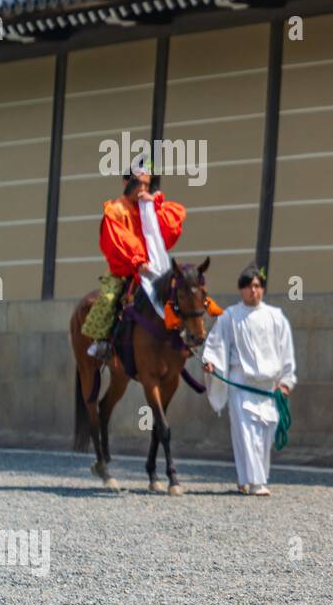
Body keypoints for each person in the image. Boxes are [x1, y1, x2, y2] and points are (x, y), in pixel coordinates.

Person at [201, 263, 297, 497]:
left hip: (269, 386)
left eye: (257, 286)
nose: (252, 291)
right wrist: (211, 361)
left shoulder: (276, 317)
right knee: (246, 434)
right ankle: (256, 483)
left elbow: (286, 350)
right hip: (241, 382)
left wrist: (286, 381)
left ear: (262, 289)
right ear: (240, 290)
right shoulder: (230, 316)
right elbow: (215, 342)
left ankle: (248, 479)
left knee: (265, 435)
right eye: (248, 286)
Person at [80, 153, 186, 359]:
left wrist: (155, 205)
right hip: (124, 270)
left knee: (179, 292)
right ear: (126, 181)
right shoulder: (115, 209)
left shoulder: (149, 206)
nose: (143, 189)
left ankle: (184, 335)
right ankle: (101, 341)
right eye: (138, 183)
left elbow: (171, 225)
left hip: (151, 269)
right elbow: (119, 240)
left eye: (147, 184)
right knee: (109, 299)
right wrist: (137, 262)